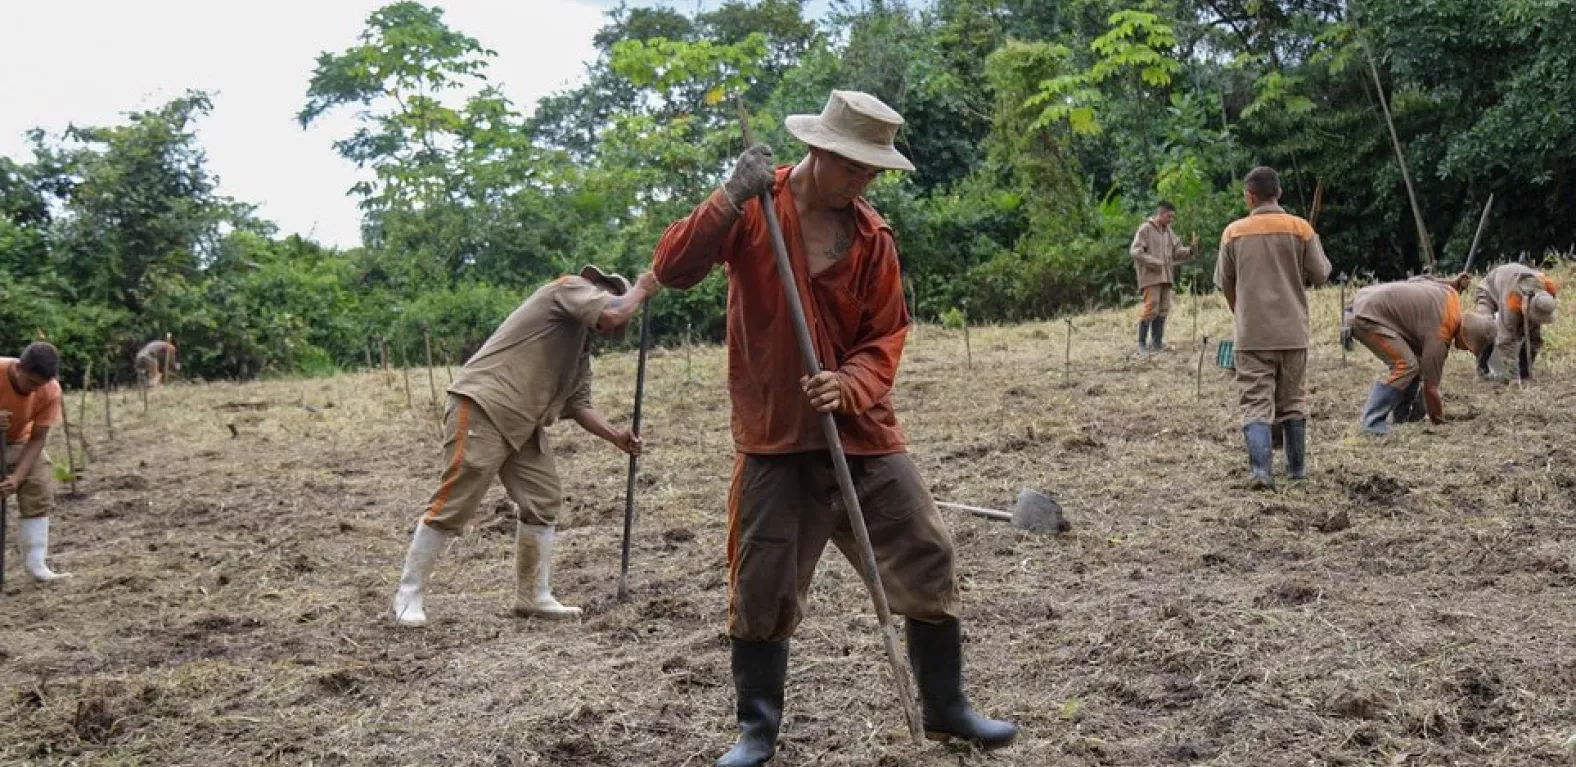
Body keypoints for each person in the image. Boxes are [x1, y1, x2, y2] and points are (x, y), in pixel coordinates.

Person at [652, 90, 1017, 767]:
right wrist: (728, 194)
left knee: (928, 552)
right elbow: (672, 268)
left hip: (861, 432)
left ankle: (946, 708)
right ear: (818, 151)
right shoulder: (756, 208)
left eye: (872, 170)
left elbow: (886, 336)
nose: (863, 181)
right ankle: (756, 731)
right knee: (760, 584)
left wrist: (846, 383)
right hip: (775, 435)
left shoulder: (873, 238)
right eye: (853, 166)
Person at [391, 266, 659, 627]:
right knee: (457, 499)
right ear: (595, 288)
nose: (607, 309)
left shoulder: (579, 349)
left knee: (543, 499)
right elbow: (612, 312)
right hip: (484, 404)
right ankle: (408, 594)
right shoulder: (568, 287)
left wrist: (615, 435)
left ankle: (532, 596)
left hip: (523, 423)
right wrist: (641, 289)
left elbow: (580, 404)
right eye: (607, 297)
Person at [1214, 166, 1332, 489]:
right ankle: (1297, 471)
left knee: (1255, 402)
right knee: (1293, 400)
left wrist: (1240, 312)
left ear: (1249, 197)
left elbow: (1225, 283)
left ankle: (1261, 472)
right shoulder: (1301, 228)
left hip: (1252, 335)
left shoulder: (1233, 233)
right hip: (1293, 332)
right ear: (1278, 193)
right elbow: (1321, 274)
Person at [1349, 278, 1494, 434]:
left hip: (1366, 298)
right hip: (1368, 317)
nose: (1466, 350)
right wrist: (1439, 421)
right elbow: (1430, 389)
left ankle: (1403, 415)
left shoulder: (1451, 296)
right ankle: (1372, 422)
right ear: (1465, 336)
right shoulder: (1441, 334)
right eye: (1468, 347)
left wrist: (1453, 282)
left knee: (1414, 362)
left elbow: (1420, 279)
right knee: (1406, 366)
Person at [0, 342, 71, 582]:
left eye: (39, 385)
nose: (34, 390)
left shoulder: (50, 390)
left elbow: (37, 439)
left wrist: (16, 478)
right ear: (19, 368)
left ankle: (36, 564)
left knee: (39, 479)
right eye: (30, 382)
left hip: (17, 443)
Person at [1129, 201, 1198, 354]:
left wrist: (1190, 250)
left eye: (1173, 217)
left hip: (1166, 276)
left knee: (1163, 309)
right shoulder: (1145, 229)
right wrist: (1154, 262)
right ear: (1160, 214)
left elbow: (1177, 252)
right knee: (1151, 308)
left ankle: (1157, 343)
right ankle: (1141, 344)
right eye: (1169, 216)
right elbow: (1135, 251)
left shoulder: (1168, 232)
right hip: (1151, 277)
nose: (1171, 220)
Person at [1471, 263, 1558, 381]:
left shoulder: (1548, 286)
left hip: (1515, 290)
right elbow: (1505, 341)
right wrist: (1513, 377)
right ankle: (1482, 369)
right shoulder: (1512, 301)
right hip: (1489, 290)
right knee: (1485, 328)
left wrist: (1524, 371)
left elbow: (1533, 339)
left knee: (1534, 337)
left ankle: (1524, 371)